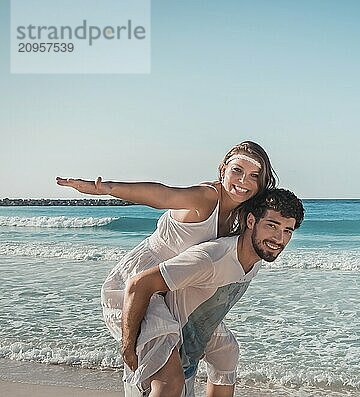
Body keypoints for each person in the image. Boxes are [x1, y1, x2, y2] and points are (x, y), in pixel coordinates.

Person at [56, 141, 277, 396]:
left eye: (253, 176)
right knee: (170, 380)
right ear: (223, 169)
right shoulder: (206, 198)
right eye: (237, 170)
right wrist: (107, 188)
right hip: (138, 283)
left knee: (225, 352)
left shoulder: (241, 214)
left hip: (173, 289)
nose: (243, 181)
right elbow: (163, 194)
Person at [121, 188, 304, 397]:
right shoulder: (211, 258)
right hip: (161, 330)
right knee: (170, 386)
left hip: (189, 340)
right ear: (251, 221)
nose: (279, 238)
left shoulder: (254, 261)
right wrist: (127, 346)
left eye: (287, 231)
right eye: (272, 226)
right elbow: (139, 284)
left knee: (227, 352)